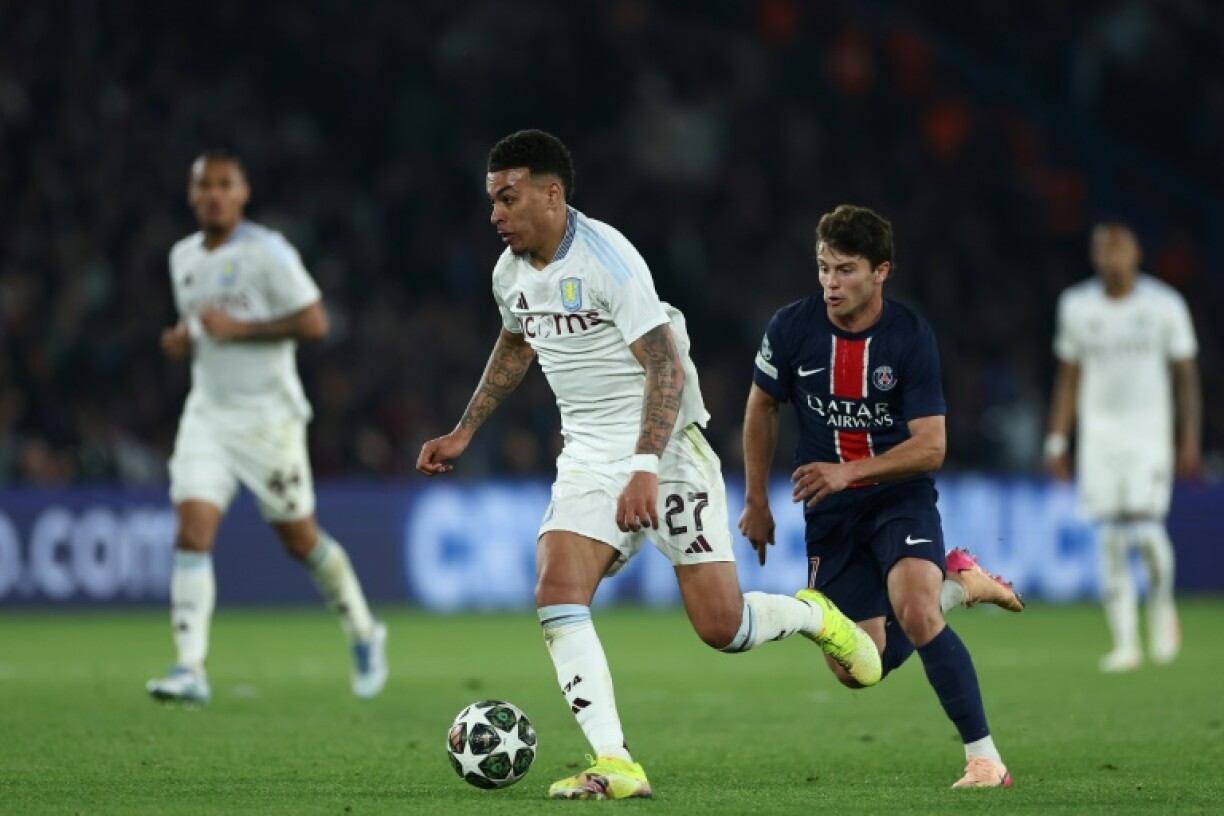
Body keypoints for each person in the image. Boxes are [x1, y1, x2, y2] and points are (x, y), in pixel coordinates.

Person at [416, 130, 880, 801]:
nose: (495, 213)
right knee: (556, 592)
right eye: (492, 199)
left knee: (722, 627)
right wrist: (464, 430)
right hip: (586, 454)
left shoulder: (608, 259)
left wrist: (643, 466)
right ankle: (617, 763)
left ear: (552, 194)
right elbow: (516, 342)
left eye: (508, 197)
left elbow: (664, 363)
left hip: (664, 447)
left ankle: (813, 616)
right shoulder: (508, 273)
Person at [740, 204, 1021, 789]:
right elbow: (762, 406)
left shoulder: (908, 338)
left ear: (881, 271)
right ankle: (960, 583)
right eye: (822, 268)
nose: (830, 283)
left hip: (899, 494)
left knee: (916, 612)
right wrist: (756, 499)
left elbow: (931, 446)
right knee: (858, 668)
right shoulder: (791, 328)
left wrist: (852, 471)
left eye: (844, 270)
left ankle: (984, 759)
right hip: (829, 511)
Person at [146, 151, 387, 704]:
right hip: (207, 414)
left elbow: (315, 321)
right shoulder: (182, 256)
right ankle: (190, 668)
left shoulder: (267, 251)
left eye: (224, 185)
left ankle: (365, 631)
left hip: (268, 421)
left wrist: (239, 328)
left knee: (300, 539)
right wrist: (184, 340)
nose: (213, 194)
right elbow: (203, 326)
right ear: (191, 194)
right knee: (191, 531)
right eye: (203, 185)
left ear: (242, 193)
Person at [1046, 221, 1201, 673]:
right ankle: (1126, 644)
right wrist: (1057, 438)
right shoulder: (1076, 305)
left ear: (1136, 254)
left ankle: (1162, 607)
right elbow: (1069, 376)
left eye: (1119, 249)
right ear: (1095, 257)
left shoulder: (1164, 304)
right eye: (1103, 250)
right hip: (1099, 436)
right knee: (1111, 538)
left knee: (1147, 530)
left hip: (1150, 433)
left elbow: (1186, 376)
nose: (1111, 257)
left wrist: (1190, 437)